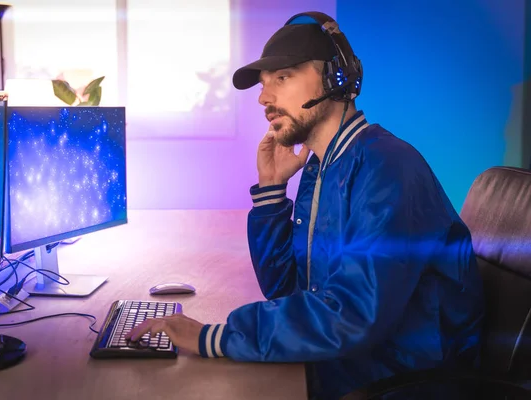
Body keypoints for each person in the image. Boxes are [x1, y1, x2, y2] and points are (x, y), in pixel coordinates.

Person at [126, 11, 484, 399]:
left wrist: (217, 336)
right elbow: (287, 291)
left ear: (337, 77)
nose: (264, 97)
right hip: (351, 361)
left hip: (399, 380)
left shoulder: (388, 169)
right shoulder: (322, 166)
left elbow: (353, 314)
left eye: (283, 77)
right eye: (263, 84)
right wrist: (271, 192)